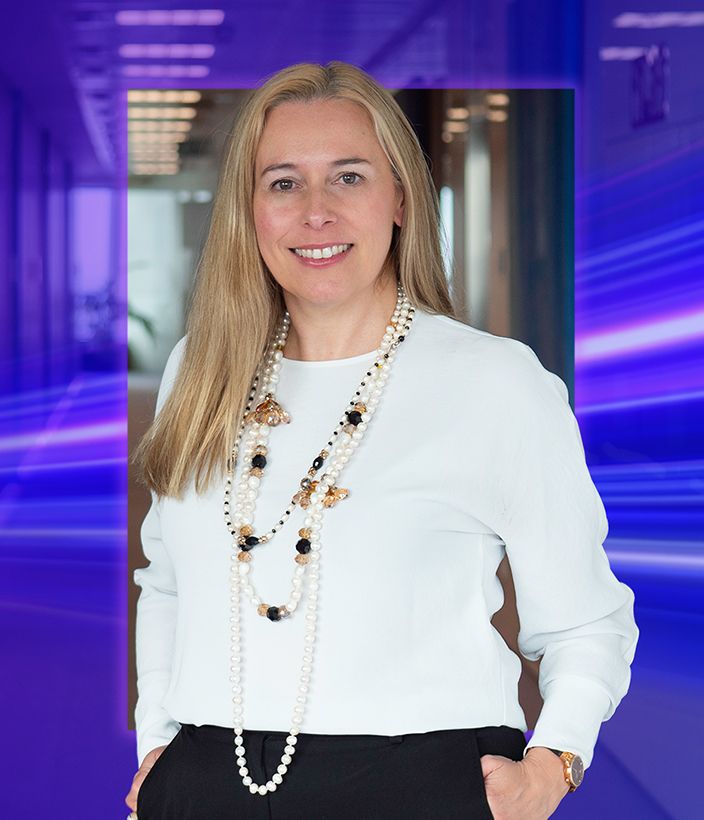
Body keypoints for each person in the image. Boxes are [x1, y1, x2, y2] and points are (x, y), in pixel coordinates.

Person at [125, 61, 639, 820]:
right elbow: (167, 583)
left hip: (416, 783)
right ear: (250, 210)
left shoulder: (495, 382)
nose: (317, 212)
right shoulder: (200, 370)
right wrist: (159, 747)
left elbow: (585, 621)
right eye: (284, 183)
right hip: (208, 780)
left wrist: (554, 762)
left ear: (399, 197)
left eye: (349, 177)